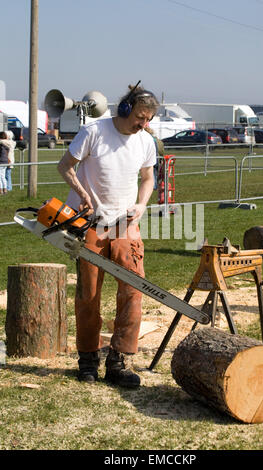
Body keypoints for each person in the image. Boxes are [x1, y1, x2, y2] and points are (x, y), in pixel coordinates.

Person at [58, 83, 159, 387]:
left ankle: (121, 360)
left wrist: (142, 205)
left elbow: (147, 177)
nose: (143, 124)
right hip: (90, 223)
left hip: (126, 224)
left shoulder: (145, 142)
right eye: (140, 117)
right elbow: (65, 167)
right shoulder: (94, 132)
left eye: (148, 120)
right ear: (125, 108)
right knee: (89, 294)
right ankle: (88, 359)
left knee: (133, 291)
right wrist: (81, 194)